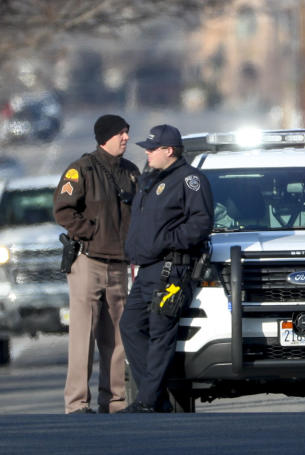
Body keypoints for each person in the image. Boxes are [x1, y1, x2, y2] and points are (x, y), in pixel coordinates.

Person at [119, 124, 214, 413]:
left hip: (171, 269)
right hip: (147, 269)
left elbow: (200, 222)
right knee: (130, 325)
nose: (147, 153)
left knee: (161, 330)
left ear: (169, 150)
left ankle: (147, 400)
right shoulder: (151, 180)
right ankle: (155, 396)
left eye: (152, 148)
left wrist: (167, 241)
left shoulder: (190, 180)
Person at [53, 114, 140, 414]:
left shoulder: (131, 172)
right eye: (120, 134)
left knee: (117, 337)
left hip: (119, 265)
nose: (126, 138)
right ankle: (77, 403)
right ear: (104, 137)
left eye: (127, 133)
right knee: (82, 335)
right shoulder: (82, 170)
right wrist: (89, 232)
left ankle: (114, 401)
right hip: (87, 262)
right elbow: (63, 209)